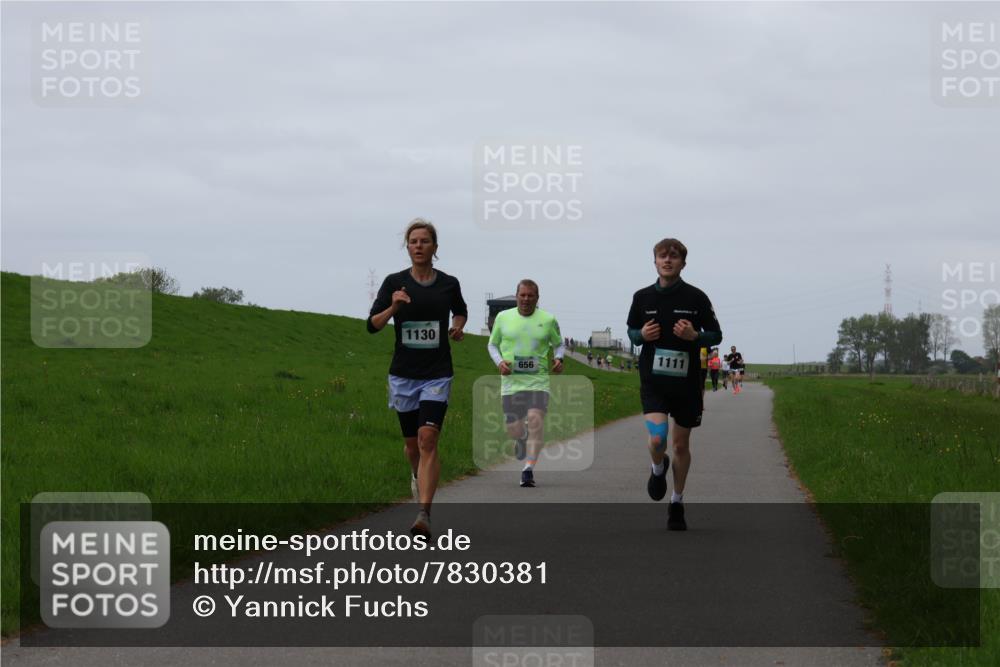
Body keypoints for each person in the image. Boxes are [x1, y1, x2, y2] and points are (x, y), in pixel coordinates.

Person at [367, 218, 467, 538]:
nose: (419, 246)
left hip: (437, 373)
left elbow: (460, 309)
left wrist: (458, 325)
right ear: (407, 247)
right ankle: (418, 476)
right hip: (404, 375)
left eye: (425, 241)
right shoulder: (394, 283)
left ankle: (423, 514)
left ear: (435, 248)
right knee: (412, 447)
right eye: (413, 241)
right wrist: (394, 307)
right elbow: (373, 325)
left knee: (428, 439)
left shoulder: (448, 283)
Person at [627, 238, 721, 531]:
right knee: (658, 439)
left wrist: (696, 336)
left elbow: (716, 335)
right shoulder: (642, 297)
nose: (668, 260)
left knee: (680, 444)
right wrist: (641, 335)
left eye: (674, 256)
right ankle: (658, 468)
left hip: (687, 383)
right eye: (662, 256)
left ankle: (677, 501)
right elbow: (631, 332)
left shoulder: (696, 298)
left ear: (683, 263)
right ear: (654, 261)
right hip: (654, 381)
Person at [488, 279, 565, 488]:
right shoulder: (503, 318)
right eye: (522, 295)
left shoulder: (548, 319)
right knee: (514, 429)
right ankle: (520, 438)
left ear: (537, 298)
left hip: (538, 381)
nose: (526, 299)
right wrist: (500, 362)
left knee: (535, 420)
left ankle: (528, 469)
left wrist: (559, 359)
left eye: (530, 295)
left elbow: (559, 345)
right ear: (516, 296)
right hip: (511, 383)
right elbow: (492, 345)